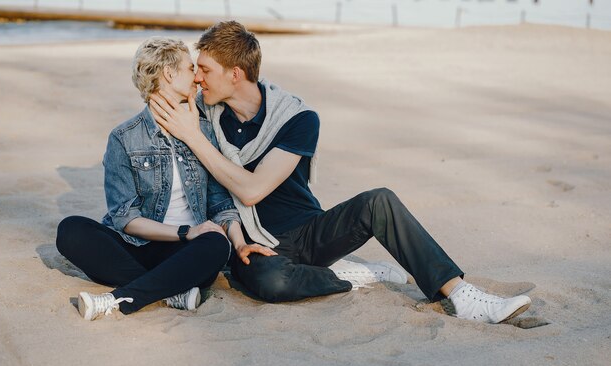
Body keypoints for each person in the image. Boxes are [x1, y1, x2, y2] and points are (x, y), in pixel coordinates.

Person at [149, 21, 532, 324]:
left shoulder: (297, 119)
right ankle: (357, 276)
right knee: (269, 282)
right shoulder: (203, 113)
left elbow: (252, 191)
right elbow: (157, 98)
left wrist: (193, 138)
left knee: (379, 200)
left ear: (235, 74)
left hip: (310, 230)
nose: (197, 78)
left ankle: (460, 295)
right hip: (253, 242)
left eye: (205, 70)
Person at [56, 37, 275, 321]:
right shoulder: (124, 137)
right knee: (71, 230)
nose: (197, 77)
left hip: (188, 251)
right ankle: (172, 291)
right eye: (189, 68)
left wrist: (239, 242)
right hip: (138, 245)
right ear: (169, 74)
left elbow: (220, 201)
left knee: (216, 244)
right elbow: (125, 219)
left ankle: (118, 299)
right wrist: (185, 231)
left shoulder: (203, 129)